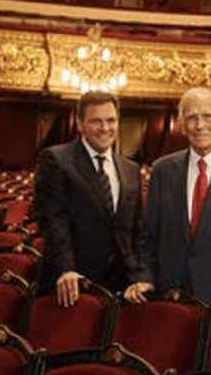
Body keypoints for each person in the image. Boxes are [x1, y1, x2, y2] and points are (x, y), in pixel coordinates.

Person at [126, 87, 211, 306]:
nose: (200, 125)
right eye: (191, 118)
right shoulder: (162, 170)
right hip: (170, 298)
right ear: (181, 124)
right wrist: (144, 278)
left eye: (208, 116)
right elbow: (149, 236)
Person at [33, 91, 142, 307]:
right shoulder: (56, 159)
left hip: (122, 285)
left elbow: (136, 229)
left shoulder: (131, 169)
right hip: (72, 284)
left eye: (111, 120)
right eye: (96, 121)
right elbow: (53, 221)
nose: (105, 128)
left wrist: (141, 276)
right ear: (80, 124)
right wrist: (66, 269)